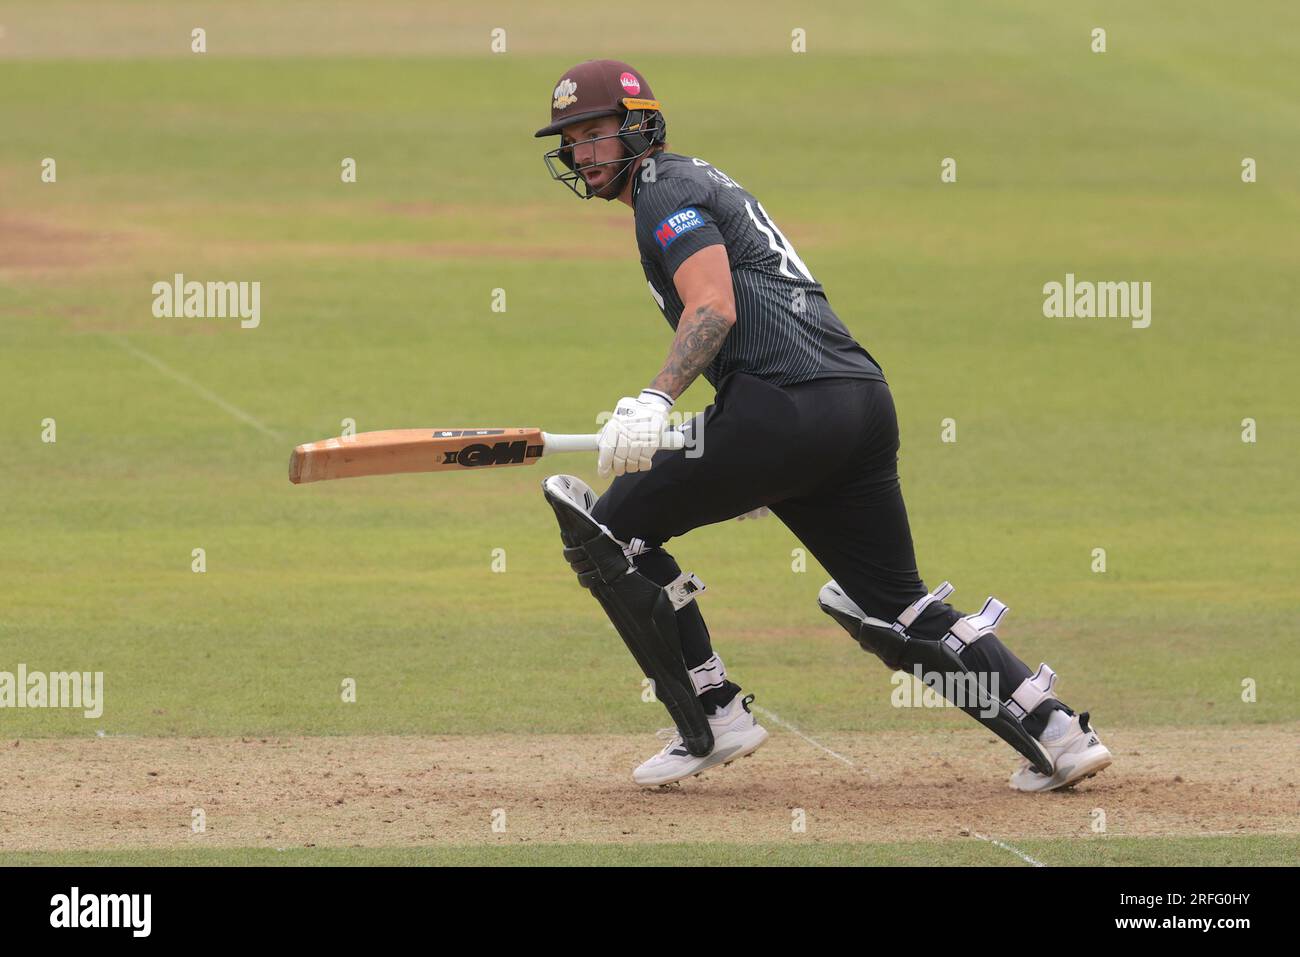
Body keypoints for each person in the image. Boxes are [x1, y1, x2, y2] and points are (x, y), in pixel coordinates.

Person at [534, 59, 1112, 791]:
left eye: (597, 133)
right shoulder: (696, 181)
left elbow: (712, 308)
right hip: (858, 403)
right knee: (899, 604)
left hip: (782, 406)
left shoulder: (663, 189)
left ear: (639, 125)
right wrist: (755, 463)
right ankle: (1055, 727)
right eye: (573, 141)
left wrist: (655, 401)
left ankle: (711, 713)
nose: (585, 153)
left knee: (609, 533)